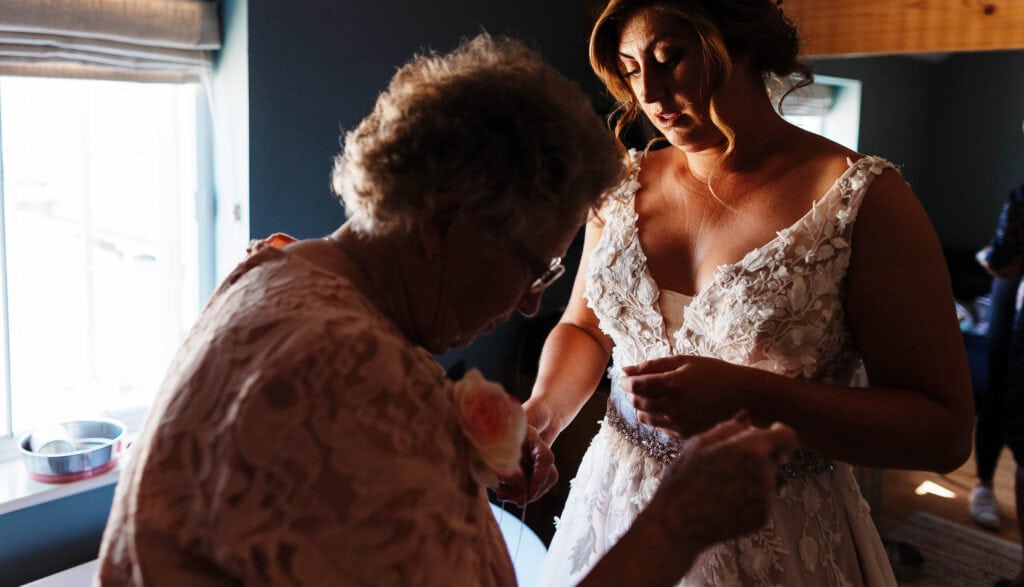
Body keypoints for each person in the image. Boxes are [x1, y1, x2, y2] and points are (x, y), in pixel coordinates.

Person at [95, 34, 798, 586]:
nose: (529, 302)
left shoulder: (281, 268)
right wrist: (676, 523)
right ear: (443, 222)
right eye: (533, 266)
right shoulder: (354, 367)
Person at [522, 0, 975, 586]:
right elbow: (586, 328)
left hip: (777, 534)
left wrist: (751, 397)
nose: (648, 91)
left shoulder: (861, 201)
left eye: (669, 57)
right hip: (617, 509)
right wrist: (540, 415)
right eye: (630, 67)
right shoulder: (620, 183)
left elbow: (943, 430)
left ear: (737, 39)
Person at [974, 181, 1024, 587]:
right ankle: (984, 484)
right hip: (1012, 294)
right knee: (998, 392)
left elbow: (1000, 258)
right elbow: (1001, 260)